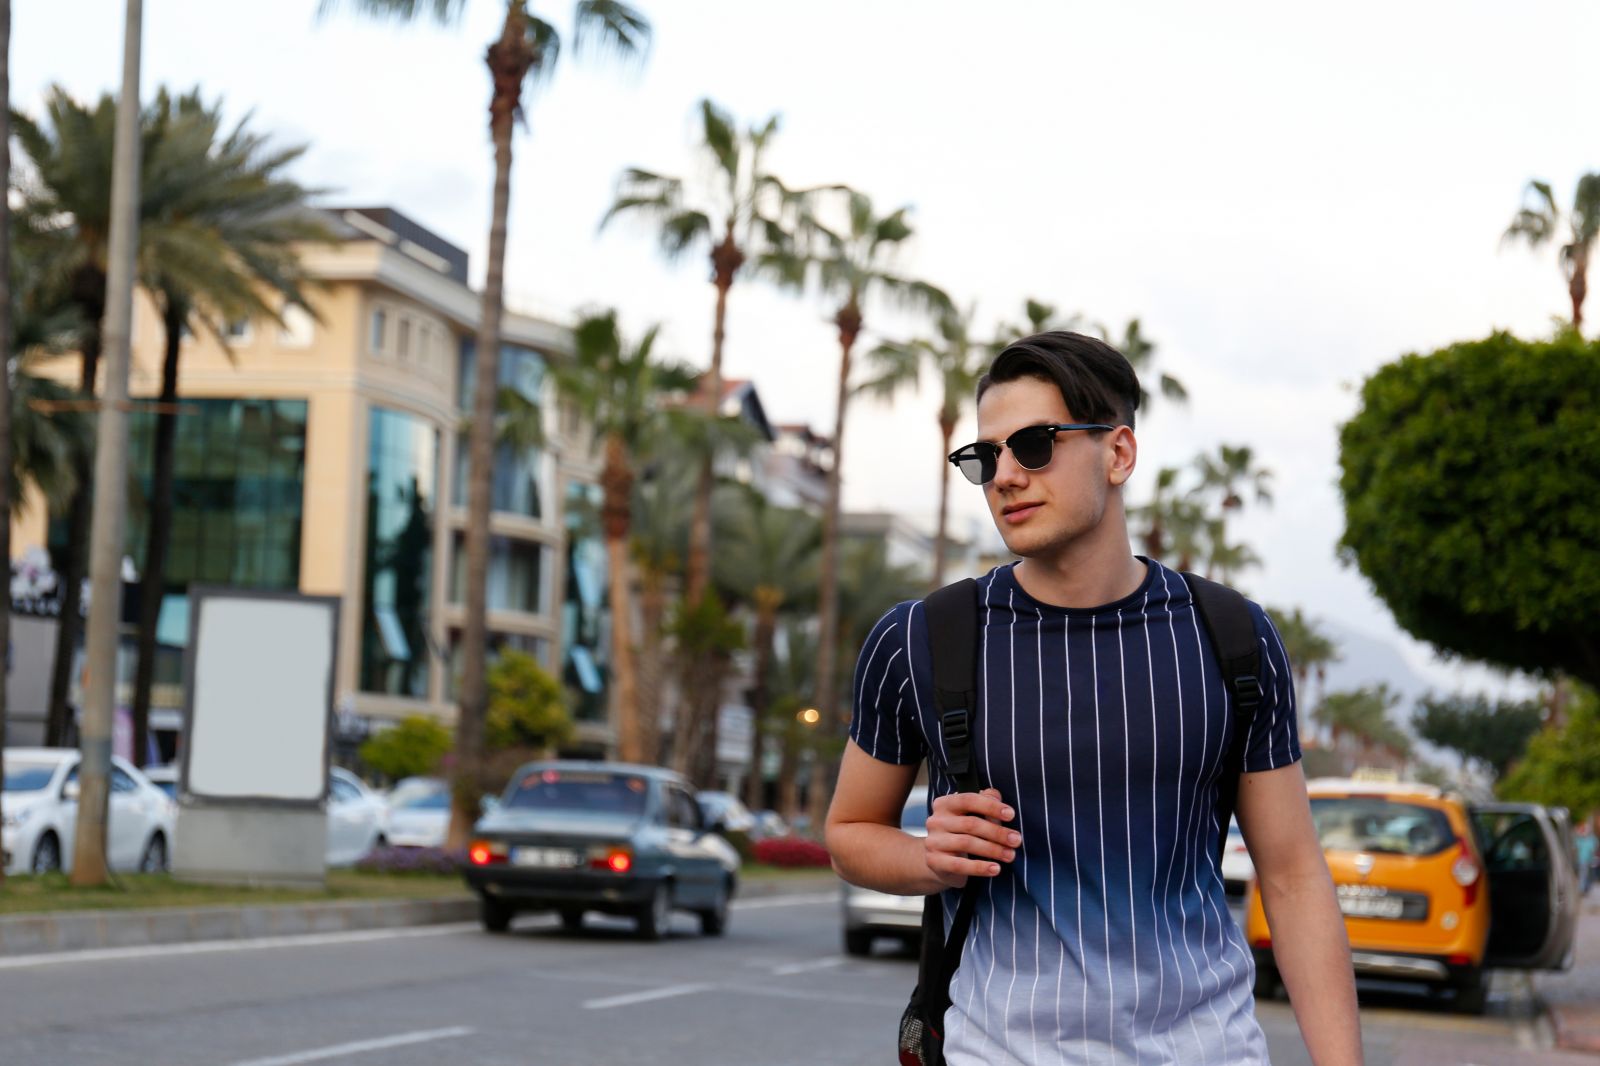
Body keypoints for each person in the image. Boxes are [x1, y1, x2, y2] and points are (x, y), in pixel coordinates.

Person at [825, 332, 1363, 1065]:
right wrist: (932, 859)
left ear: (1118, 455)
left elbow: (1294, 874)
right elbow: (851, 831)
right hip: (1001, 1049)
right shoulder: (923, 639)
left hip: (1207, 1049)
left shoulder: (1231, 636)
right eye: (986, 458)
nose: (1006, 476)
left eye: (1036, 445)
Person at [1576, 820, 1596, 898]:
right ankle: (1582, 889)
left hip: (1590, 861)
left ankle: (1586, 888)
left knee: (1589, 876)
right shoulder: (1580, 839)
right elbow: (1576, 847)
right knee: (1583, 875)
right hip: (1582, 860)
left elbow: (1594, 848)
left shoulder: (1592, 839)